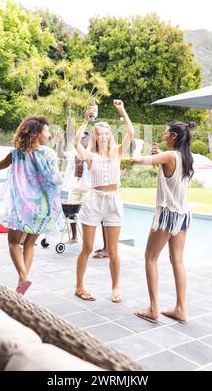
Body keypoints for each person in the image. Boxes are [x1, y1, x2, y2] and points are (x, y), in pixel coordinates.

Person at [0, 116, 64, 295]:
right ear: (37, 134)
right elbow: (56, 180)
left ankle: (23, 278)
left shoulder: (16, 153)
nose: (49, 135)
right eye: (47, 131)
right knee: (29, 244)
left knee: (13, 243)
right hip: (42, 207)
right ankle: (21, 288)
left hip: (23, 206)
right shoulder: (49, 154)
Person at [132, 121, 196, 323]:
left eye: (166, 133)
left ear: (174, 136)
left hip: (168, 214)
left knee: (150, 258)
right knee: (177, 260)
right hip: (182, 215)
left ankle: (153, 308)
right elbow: (169, 166)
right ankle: (181, 309)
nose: (163, 135)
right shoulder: (185, 157)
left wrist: (137, 145)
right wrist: (158, 154)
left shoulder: (169, 156)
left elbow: (136, 161)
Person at [74, 100, 134, 303]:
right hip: (94, 202)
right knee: (88, 248)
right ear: (95, 137)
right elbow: (75, 143)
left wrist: (122, 111)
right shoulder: (90, 156)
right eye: (100, 134)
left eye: (107, 134)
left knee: (113, 251)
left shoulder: (117, 152)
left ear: (110, 136)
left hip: (114, 202)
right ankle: (79, 286)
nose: (104, 137)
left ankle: (116, 288)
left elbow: (131, 134)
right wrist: (85, 120)